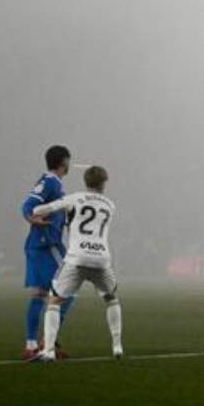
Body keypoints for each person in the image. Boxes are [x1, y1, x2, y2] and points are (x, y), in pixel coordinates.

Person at [27, 165, 123, 362]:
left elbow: (42, 208)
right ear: (103, 183)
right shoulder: (110, 205)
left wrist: (38, 212)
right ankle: (117, 346)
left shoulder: (74, 198)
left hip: (77, 257)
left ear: (86, 182)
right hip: (102, 259)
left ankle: (49, 351)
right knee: (111, 299)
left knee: (54, 300)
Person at [19, 144, 75, 359]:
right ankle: (46, 341)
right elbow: (29, 203)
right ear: (65, 162)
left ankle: (32, 345)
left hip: (39, 244)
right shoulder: (50, 181)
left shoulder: (53, 183)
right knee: (69, 289)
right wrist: (31, 216)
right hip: (47, 245)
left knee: (40, 294)